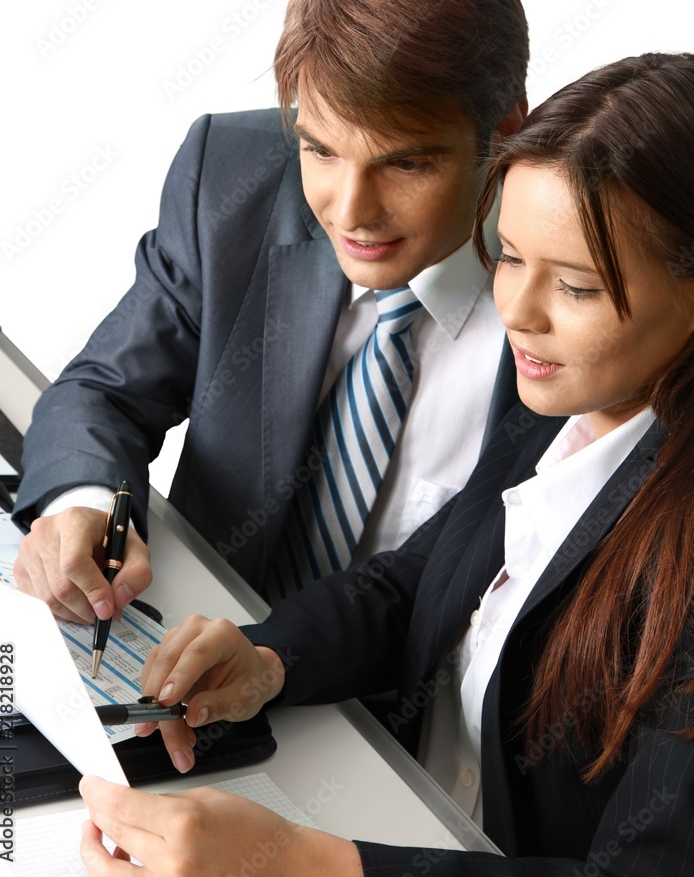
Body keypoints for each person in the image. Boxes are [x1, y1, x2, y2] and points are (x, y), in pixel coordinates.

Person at [79, 53, 694, 875]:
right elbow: (424, 575)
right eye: (509, 256)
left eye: (576, 287)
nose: (515, 311)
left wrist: (307, 864)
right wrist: (268, 660)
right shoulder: (573, 401)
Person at [12, 0, 529, 618]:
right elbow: (107, 390)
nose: (350, 212)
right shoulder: (231, 179)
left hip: (399, 716)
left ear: (505, 134)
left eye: (406, 163)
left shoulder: (582, 287)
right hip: (180, 651)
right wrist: (86, 506)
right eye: (320, 149)